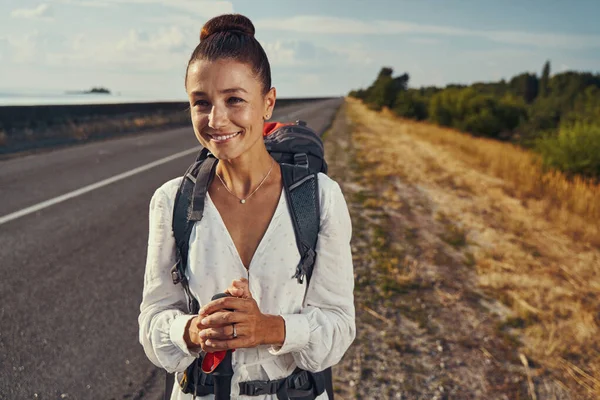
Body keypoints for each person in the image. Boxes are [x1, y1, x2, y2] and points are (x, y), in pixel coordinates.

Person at [138, 13, 355, 400]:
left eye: (234, 99)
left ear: (267, 103)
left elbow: (339, 329)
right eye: (200, 102)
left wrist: (269, 328)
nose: (216, 119)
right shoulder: (171, 200)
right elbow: (152, 323)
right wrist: (191, 331)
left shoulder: (320, 197)